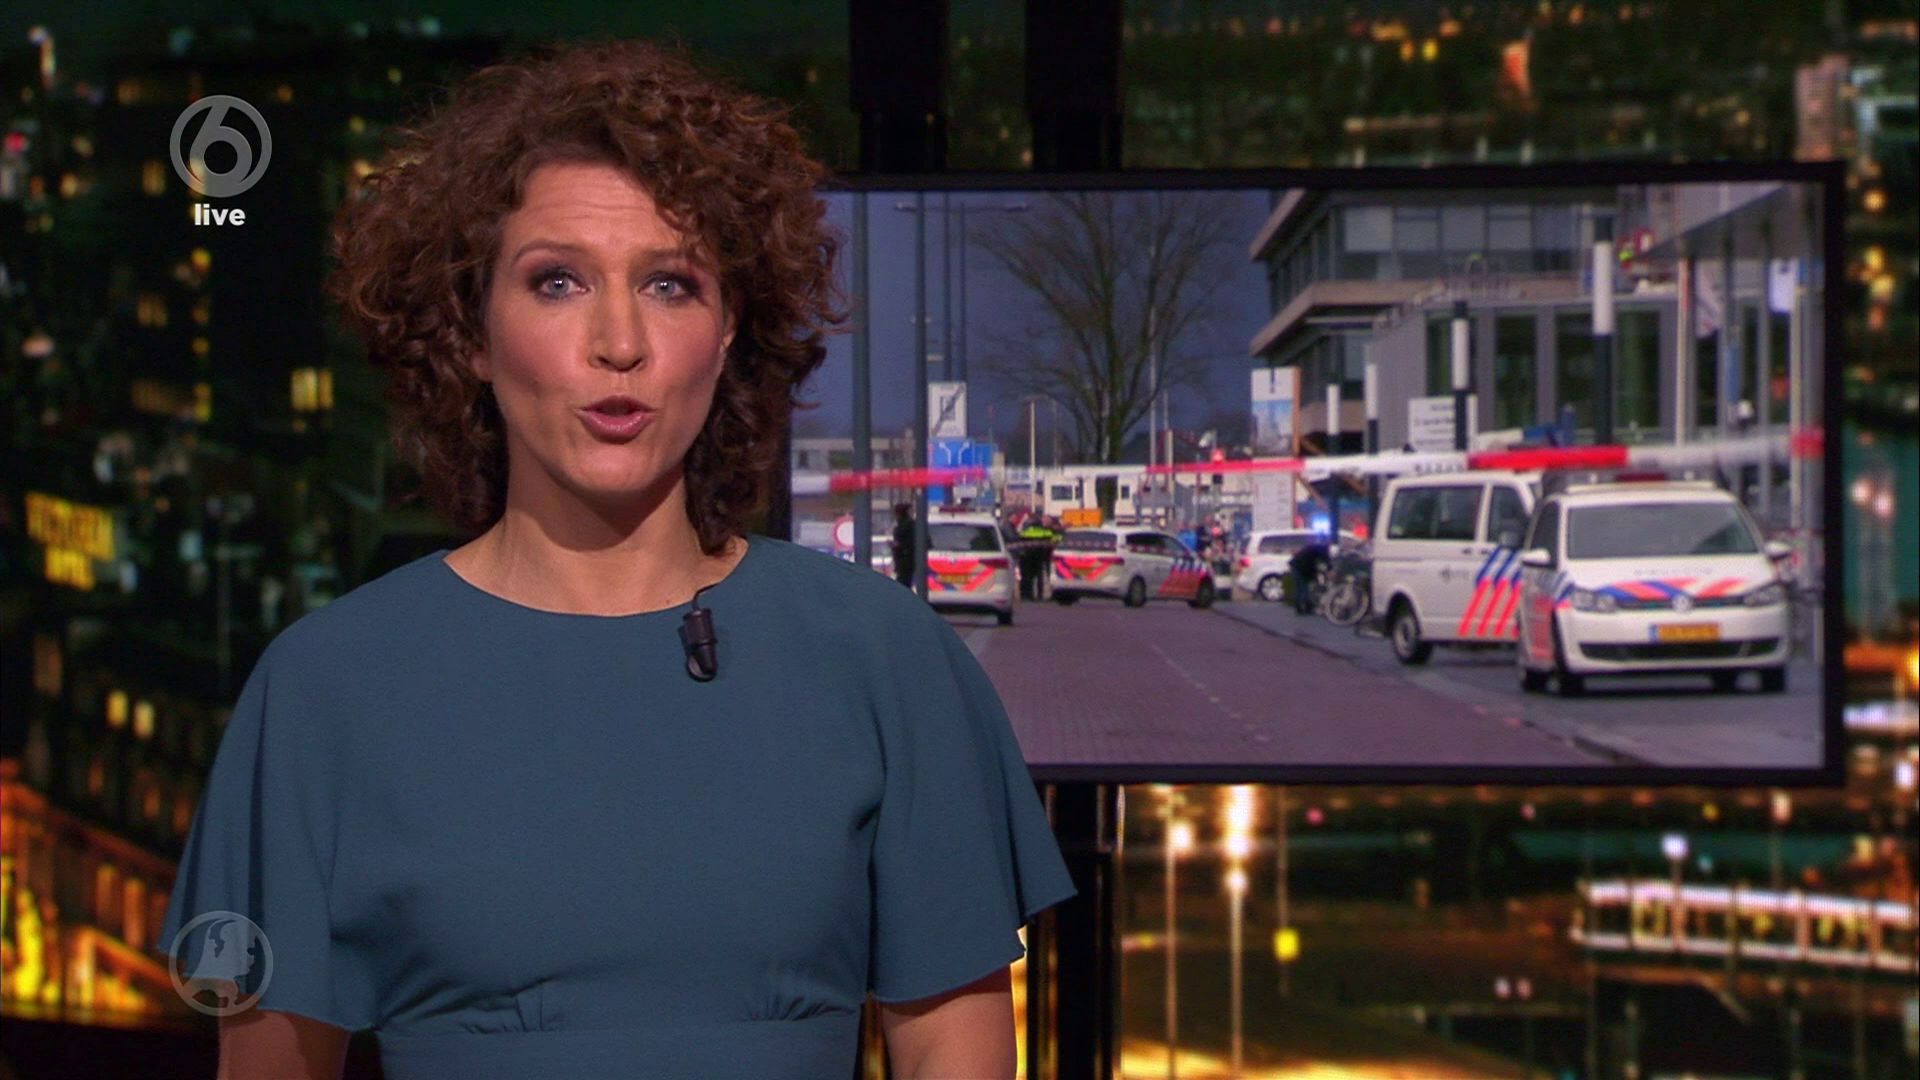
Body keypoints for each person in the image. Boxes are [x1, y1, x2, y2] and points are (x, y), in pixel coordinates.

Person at [155, 40, 1075, 1080]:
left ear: (728, 330)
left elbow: (955, 1050)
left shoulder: (885, 659)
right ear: (471, 331)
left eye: (671, 285)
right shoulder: (328, 689)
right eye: (557, 282)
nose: (620, 342)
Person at [1289, 536, 1333, 614]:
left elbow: (1318, 562)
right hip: (1301, 568)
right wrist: (1329, 570)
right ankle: (1305, 607)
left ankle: (1299, 607)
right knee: (1304, 588)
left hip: (1296, 566)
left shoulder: (1314, 547)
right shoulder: (1322, 549)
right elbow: (1325, 560)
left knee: (1299, 588)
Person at [891, 501, 916, 588]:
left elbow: (910, 541)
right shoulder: (903, 524)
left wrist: (899, 545)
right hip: (903, 561)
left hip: (906, 560)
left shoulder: (907, 525)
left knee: (903, 583)